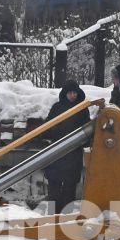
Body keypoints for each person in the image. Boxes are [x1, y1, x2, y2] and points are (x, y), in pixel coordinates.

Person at [43, 80, 89, 211]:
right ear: (65, 93)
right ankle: (52, 219)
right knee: (54, 190)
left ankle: (66, 221)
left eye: (75, 92)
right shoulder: (57, 108)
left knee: (69, 191)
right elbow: (47, 127)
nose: (73, 95)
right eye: (70, 92)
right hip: (57, 154)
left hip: (73, 156)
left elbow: (87, 131)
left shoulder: (82, 109)